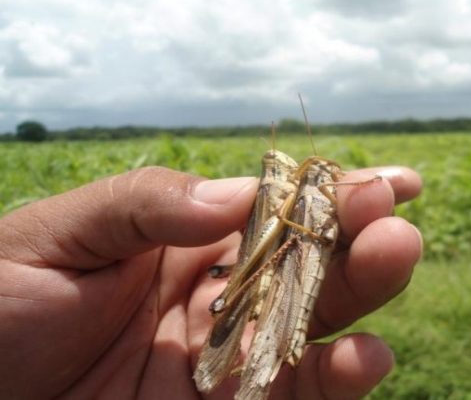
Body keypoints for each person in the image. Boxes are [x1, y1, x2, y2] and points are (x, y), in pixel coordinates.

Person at [0, 165, 423, 399]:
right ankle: (250, 344)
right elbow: (286, 225)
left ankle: (264, 350)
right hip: (280, 251)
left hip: (293, 249)